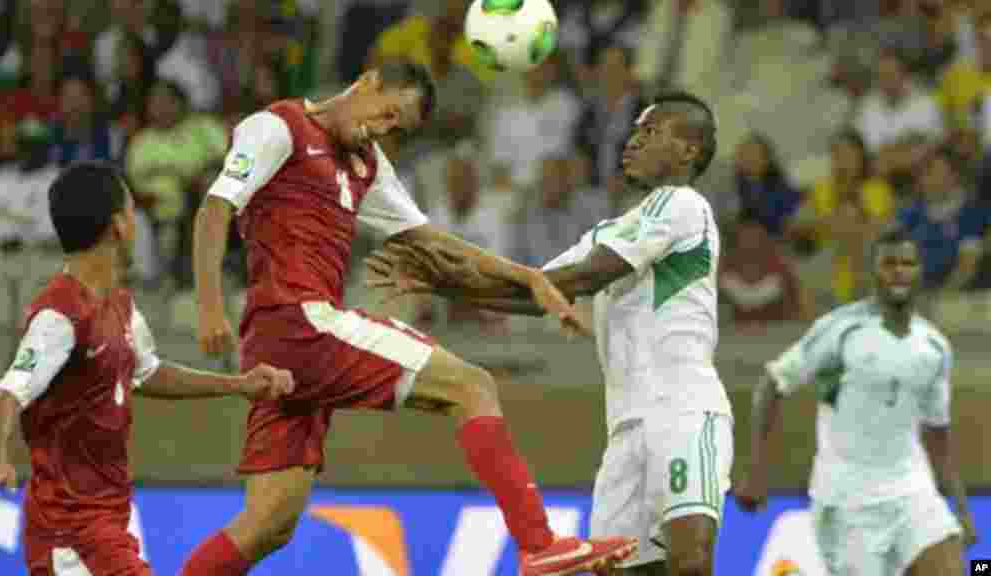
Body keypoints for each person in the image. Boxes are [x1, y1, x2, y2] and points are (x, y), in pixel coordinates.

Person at [179, 61, 637, 576]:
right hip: (299, 322)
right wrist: (210, 306)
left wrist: (527, 275)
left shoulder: (366, 164)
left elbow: (430, 241)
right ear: (369, 82)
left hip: (284, 350)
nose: (384, 130)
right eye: (388, 114)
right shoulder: (278, 127)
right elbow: (215, 209)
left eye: (398, 129)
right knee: (470, 385)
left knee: (269, 523)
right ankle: (538, 543)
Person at [369, 91, 733, 576]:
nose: (633, 140)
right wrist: (437, 283)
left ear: (690, 150)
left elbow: (582, 280)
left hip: (685, 409)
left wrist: (448, 273)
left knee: (691, 563)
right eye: (635, 130)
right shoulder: (612, 230)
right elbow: (533, 293)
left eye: (651, 132)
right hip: (625, 426)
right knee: (623, 571)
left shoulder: (682, 205)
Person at [0, 162, 295, 576]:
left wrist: (239, 384)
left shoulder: (120, 305)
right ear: (118, 227)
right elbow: (7, 396)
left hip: (105, 524)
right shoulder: (61, 316)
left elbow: (147, 371)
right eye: (130, 208)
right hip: (70, 535)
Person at [734, 226, 978, 576]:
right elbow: (771, 384)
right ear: (873, 272)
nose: (898, 271)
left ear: (919, 271)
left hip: (912, 491)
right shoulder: (841, 329)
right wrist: (756, 469)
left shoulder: (934, 346)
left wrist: (963, 510)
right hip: (846, 500)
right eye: (888, 263)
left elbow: (938, 438)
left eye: (907, 263)